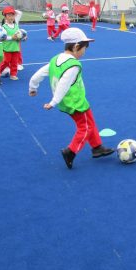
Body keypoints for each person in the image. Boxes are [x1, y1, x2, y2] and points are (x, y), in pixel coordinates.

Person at [28, 28, 115, 169]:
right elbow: (63, 85)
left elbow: (38, 74)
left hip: (70, 101)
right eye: (84, 48)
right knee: (85, 127)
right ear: (76, 47)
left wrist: (33, 87)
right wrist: (53, 102)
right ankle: (71, 151)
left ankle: (97, 147)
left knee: (89, 121)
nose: (85, 51)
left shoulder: (56, 59)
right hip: (75, 102)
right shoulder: (73, 65)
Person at [0, 6, 23, 81]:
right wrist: (11, 37)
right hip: (7, 48)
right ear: (5, 17)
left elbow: (19, 35)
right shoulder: (4, 27)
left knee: (14, 62)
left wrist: (22, 37)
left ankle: (13, 75)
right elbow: (3, 38)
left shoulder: (16, 26)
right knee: (6, 61)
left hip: (15, 47)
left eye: (12, 15)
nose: (11, 17)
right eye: (9, 15)